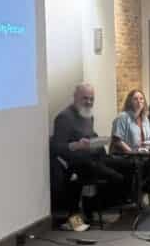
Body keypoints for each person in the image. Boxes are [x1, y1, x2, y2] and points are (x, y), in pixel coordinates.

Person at [51, 83, 126, 232]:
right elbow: (57, 147)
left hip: (92, 158)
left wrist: (98, 141)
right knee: (115, 177)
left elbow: (91, 136)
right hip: (74, 164)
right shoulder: (64, 117)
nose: (89, 102)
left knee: (129, 165)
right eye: (85, 98)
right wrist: (77, 145)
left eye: (92, 99)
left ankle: (92, 210)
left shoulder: (87, 115)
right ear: (75, 97)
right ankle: (81, 215)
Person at [110, 89, 150, 200]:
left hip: (141, 154)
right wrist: (132, 152)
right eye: (135, 99)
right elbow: (117, 140)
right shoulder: (122, 117)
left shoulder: (145, 119)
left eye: (141, 99)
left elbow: (149, 139)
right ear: (129, 101)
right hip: (124, 155)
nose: (139, 101)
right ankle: (135, 197)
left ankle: (141, 193)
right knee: (139, 165)